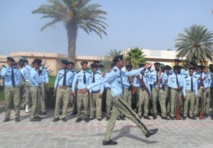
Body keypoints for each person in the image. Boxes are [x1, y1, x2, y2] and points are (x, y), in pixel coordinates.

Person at [84, 55, 158, 145]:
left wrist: (143, 68)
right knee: (131, 113)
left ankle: (106, 139)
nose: (123, 63)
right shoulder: (114, 72)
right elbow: (102, 81)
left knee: (112, 119)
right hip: (117, 98)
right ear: (117, 62)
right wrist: (87, 88)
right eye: (122, 61)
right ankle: (146, 131)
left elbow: (129, 73)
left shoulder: (119, 71)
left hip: (118, 97)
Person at [1, 57, 21, 122]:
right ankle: (7, 116)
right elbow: (2, 74)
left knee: (17, 102)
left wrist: (18, 69)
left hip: (15, 87)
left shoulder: (16, 69)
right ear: (7, 62)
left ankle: (17, 116)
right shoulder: (4, 68)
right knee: (7, 103)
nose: (10, 63)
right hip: (8, 87)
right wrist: (8, 67)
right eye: (9, 62)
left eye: (11, 62)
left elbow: (19, 77)